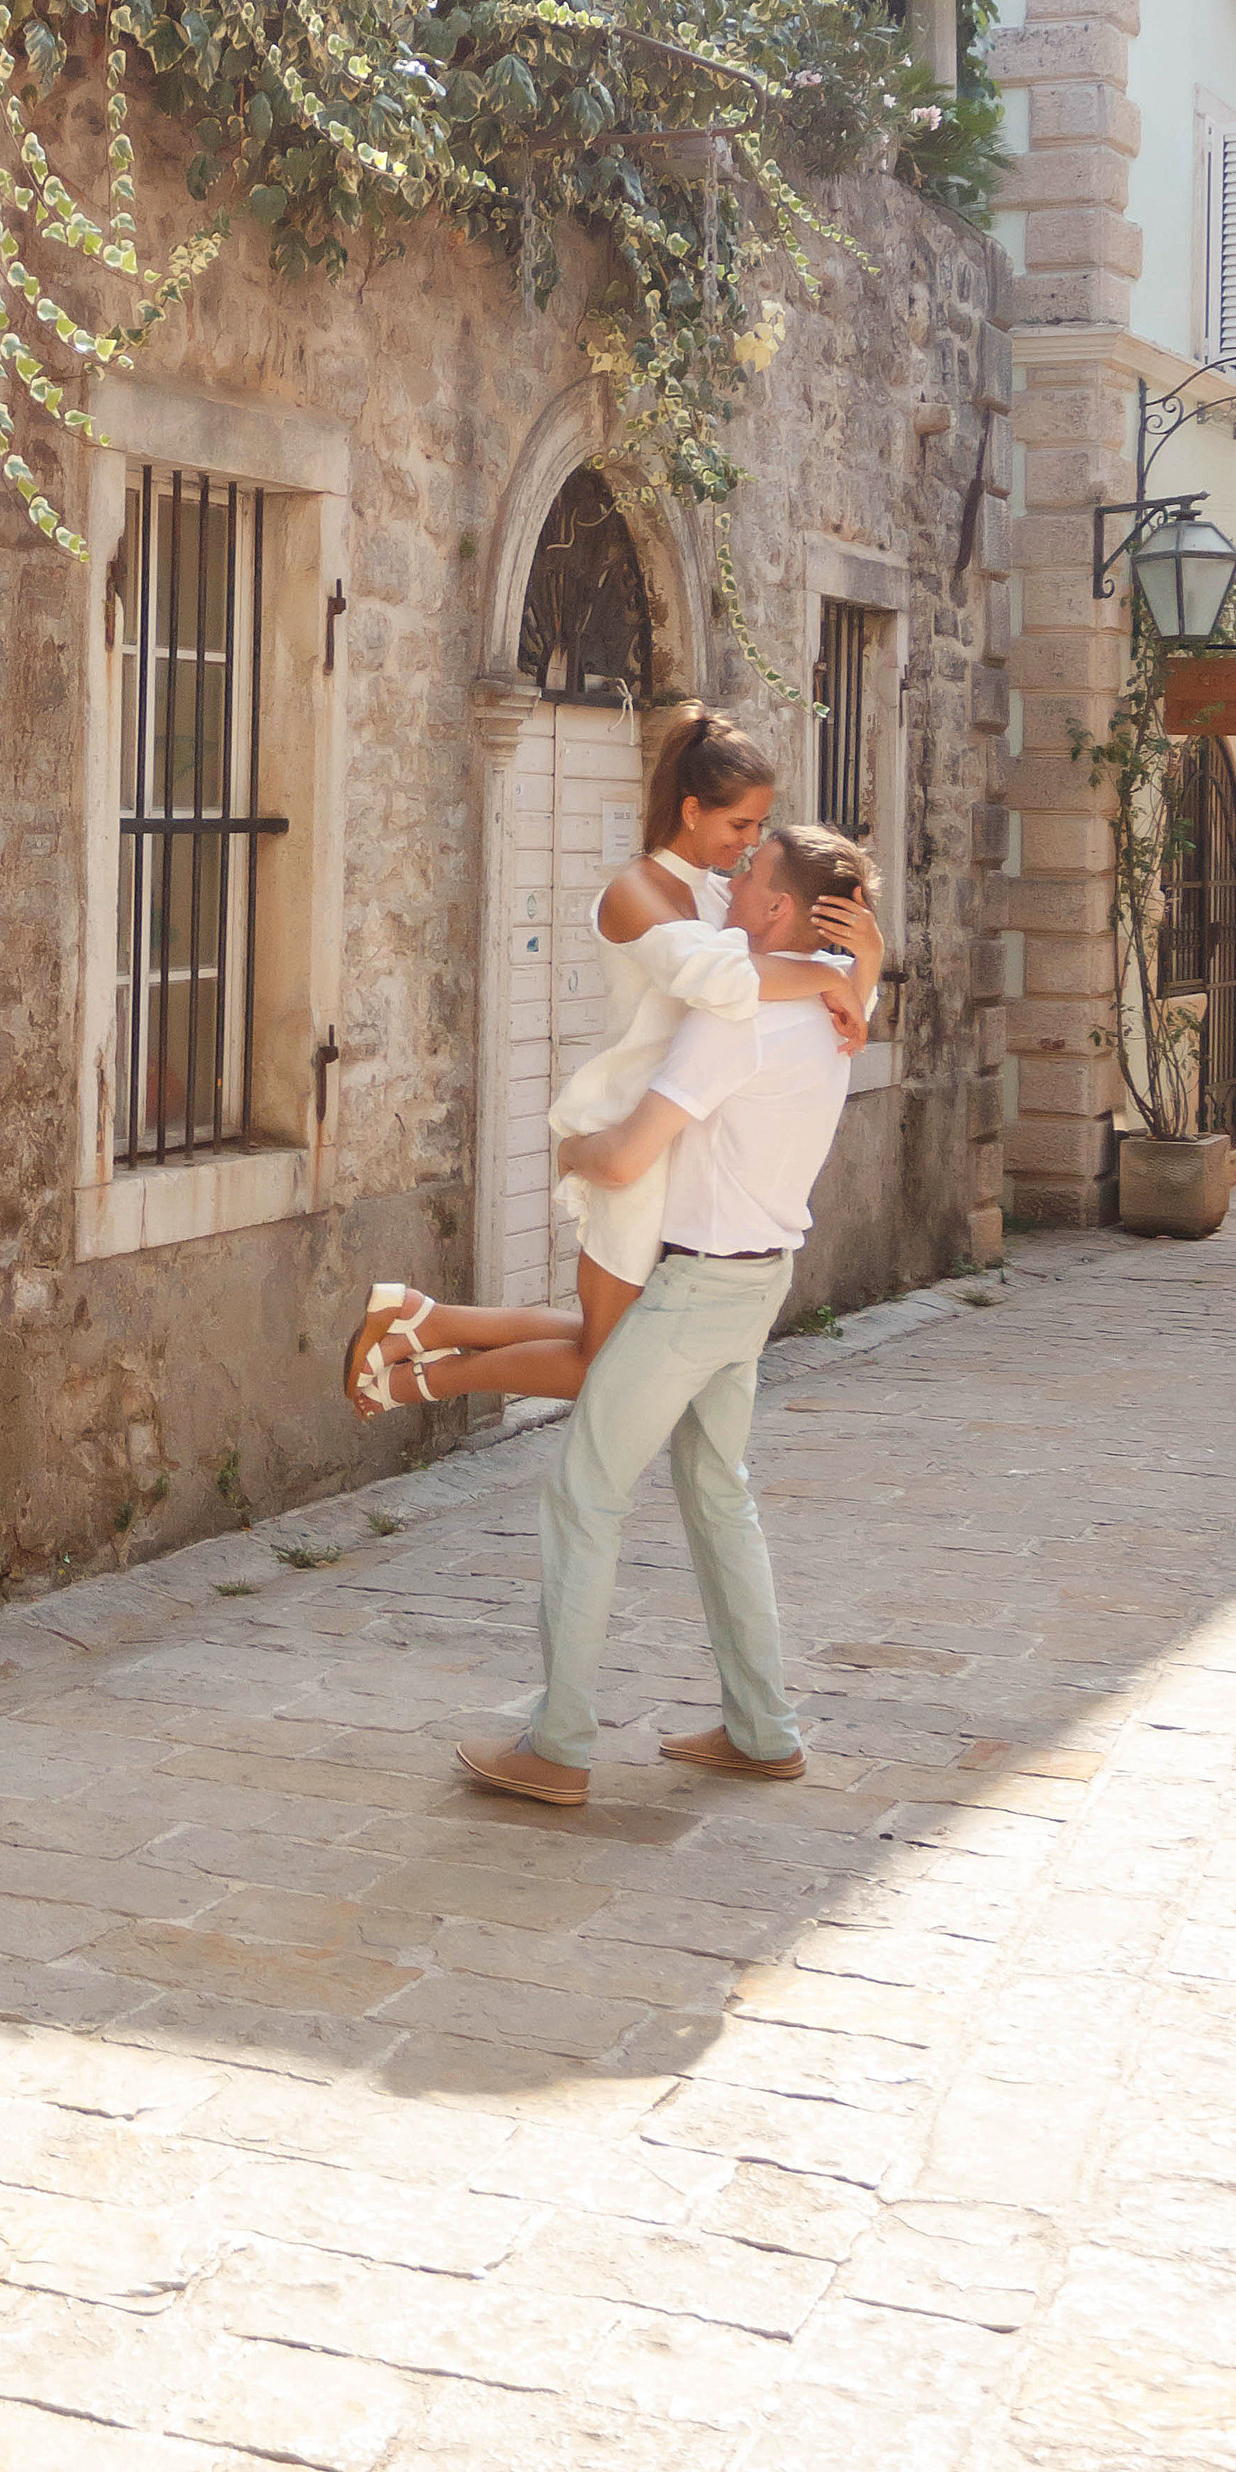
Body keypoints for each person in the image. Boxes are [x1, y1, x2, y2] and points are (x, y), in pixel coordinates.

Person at [441, 820, 882, 1807]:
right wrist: (865, 953)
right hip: (758, 1282)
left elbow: (627, 1157)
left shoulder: (737, 1016)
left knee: (583, 1492)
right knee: (715, 1491)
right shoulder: (842, 1003)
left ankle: (555, 1749)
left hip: (692, 1290)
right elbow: (859, 980)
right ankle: (761, 1730)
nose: (725, 883)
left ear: (777, 908)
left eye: (747, 874)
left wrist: (564, 1149)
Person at [342, 705, 879, 1413]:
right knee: (609, 1361)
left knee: (614, 1345)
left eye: (758, 829)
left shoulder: (724, 894)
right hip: (630, 1136)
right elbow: (725, 982)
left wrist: (862, 962)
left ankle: (422, 1321)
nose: (750, 847)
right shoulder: (635, 893)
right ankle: (419, 1368)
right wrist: (831, 976)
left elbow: (814, 1025)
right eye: (739, 826)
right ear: (692, 810)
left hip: (679, 1144)